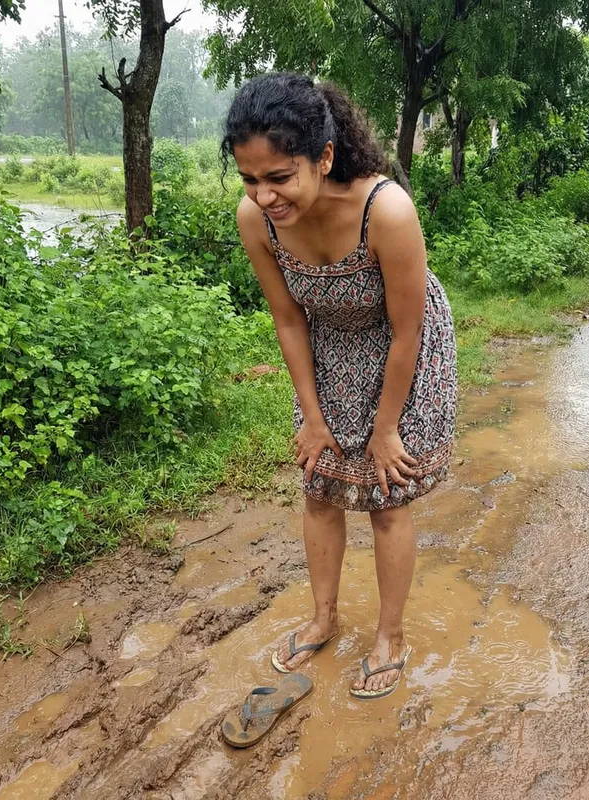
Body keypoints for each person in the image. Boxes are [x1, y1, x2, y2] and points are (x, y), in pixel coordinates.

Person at [223, 73, 457, 699]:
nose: (265, 196)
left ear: (324, 157)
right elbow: (287, 317)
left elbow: (407, 332)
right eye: (250, 179)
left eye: (279, 177)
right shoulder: (256, 221)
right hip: (327, 343)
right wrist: (312, 415)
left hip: (403, 347)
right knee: (320, 486)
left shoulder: (388, 211)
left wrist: (385, 430)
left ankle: (391, 636)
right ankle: (324, 618)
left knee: (387, 496)